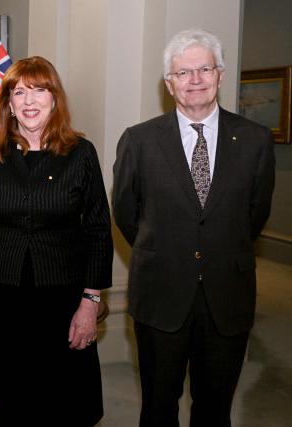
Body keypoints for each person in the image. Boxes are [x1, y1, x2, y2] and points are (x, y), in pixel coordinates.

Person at [113, 28, 276, 426]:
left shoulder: (255, 140)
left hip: (227, 298)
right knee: (158, 406)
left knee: (215, 409)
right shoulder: (139, 140)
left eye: (204, 69)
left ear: (220, 74)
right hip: (161, 295)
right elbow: (126, 213)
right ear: (169, 84)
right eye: (183, 73)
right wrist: (168, 248)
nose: (195, 80)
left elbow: (255, 215)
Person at [0, 56, 113, 426]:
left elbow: (98, 231)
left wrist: (90, 303)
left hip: (62, 298)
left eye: (39, 90)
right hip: (2, 293)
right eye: (19, 92)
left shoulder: (81, 153)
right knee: (9, 394)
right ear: (9, 105)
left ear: (54, 98)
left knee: (63, 398)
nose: (29, 101)